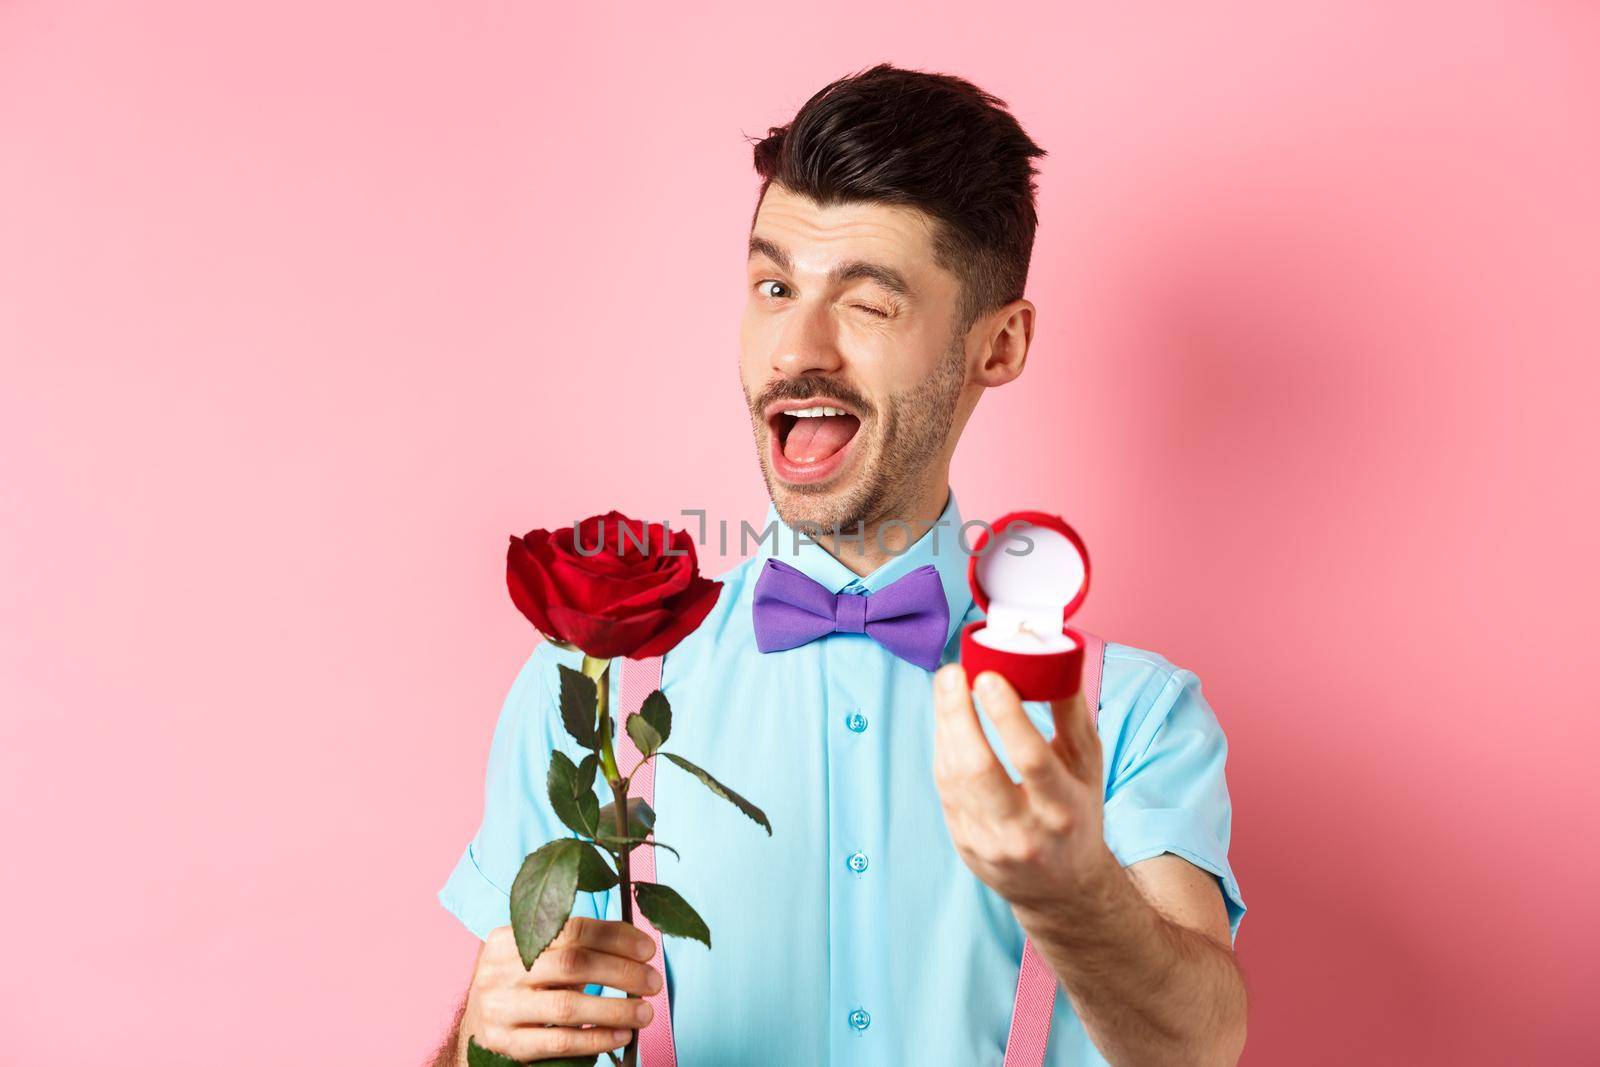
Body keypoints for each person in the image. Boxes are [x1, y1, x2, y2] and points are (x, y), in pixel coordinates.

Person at [432, 62, 1247, 1067]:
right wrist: (486, 1036)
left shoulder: (1128, 717)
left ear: (998, 345)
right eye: (774, 287)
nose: (795, 348)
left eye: (866, 303)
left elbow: (1199, 1042)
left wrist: (1068, 884)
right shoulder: (590, 687)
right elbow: (496, 1034)